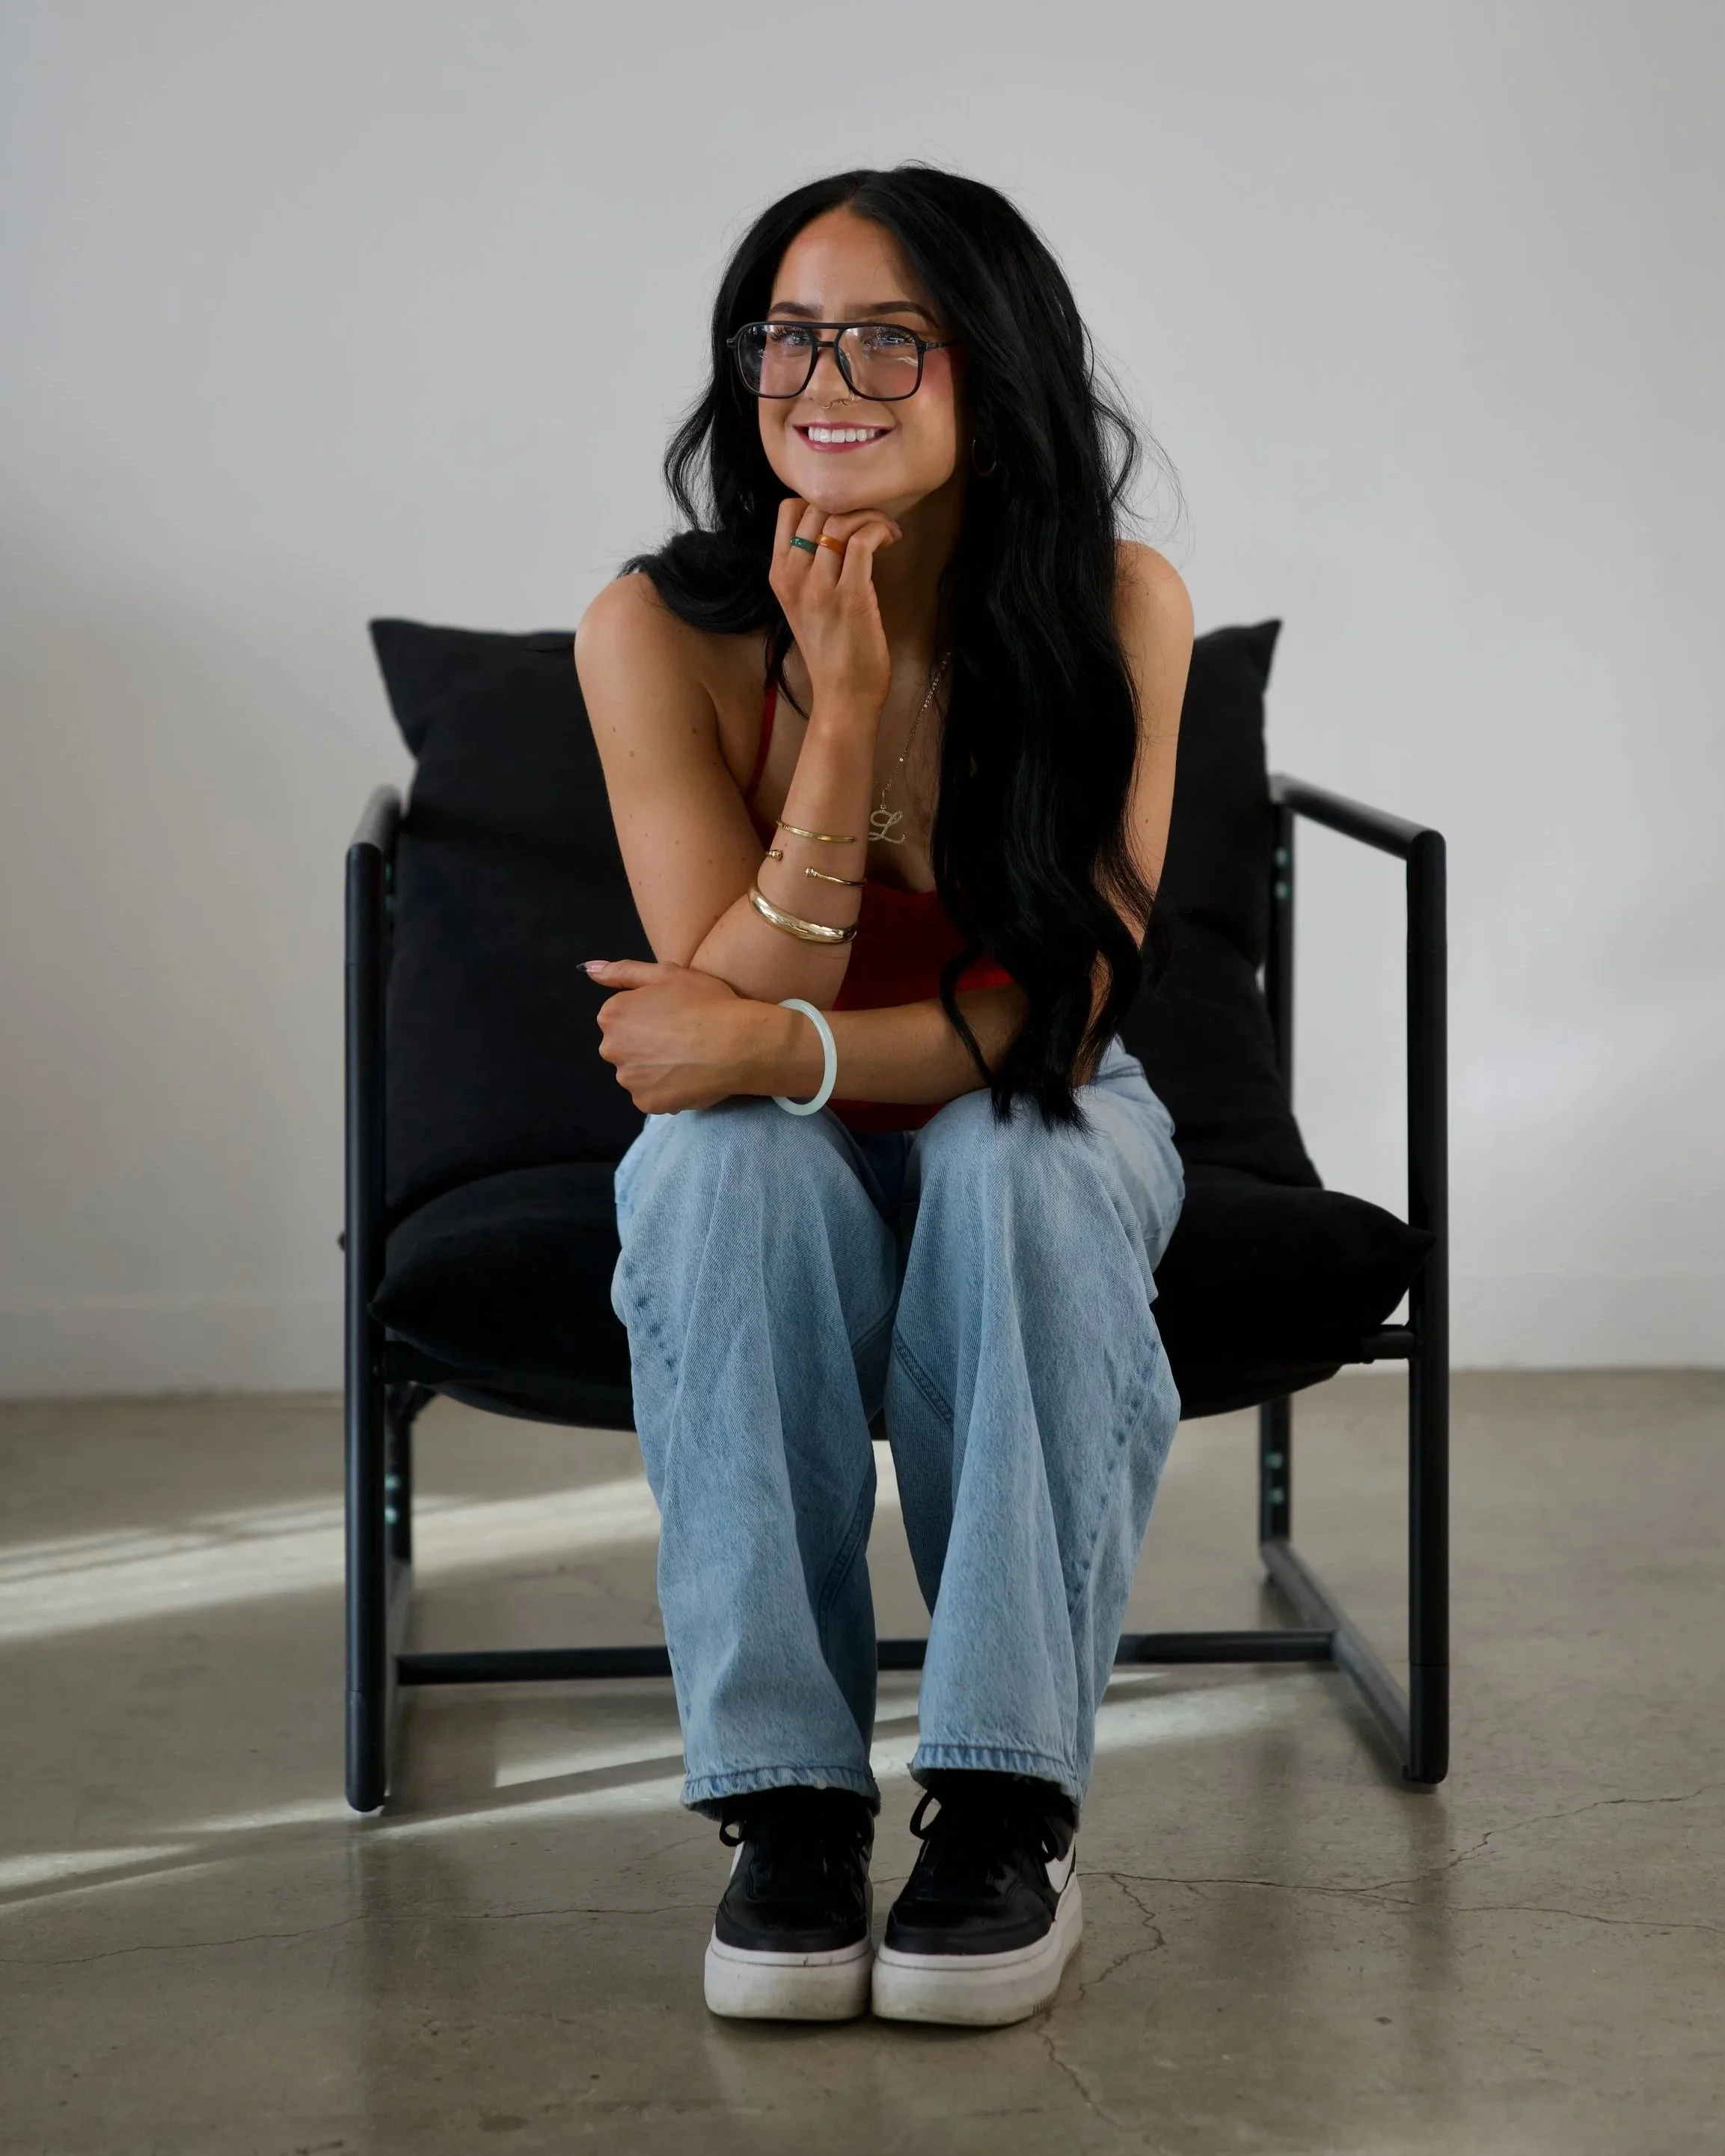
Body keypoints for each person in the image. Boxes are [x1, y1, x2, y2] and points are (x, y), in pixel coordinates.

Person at [575, 165, 1192, 2027]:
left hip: (1038, 1119)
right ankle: (788, 1813)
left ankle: (1005, 1806)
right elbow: (722, 1024)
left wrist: (785, 1047)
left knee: (1024, 1157)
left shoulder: (1115, 602)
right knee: (716, 1178)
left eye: (882, 335)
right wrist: (833, 726)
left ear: (987, 376)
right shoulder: (656, 630)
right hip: (795, 1144)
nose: (818, 373)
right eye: (785, 331)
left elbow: (1064, 1017)